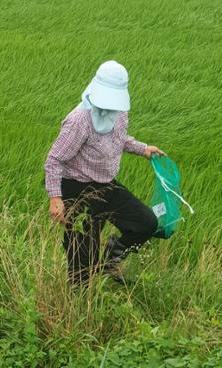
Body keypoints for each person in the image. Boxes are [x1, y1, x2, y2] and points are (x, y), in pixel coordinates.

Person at [44, 60, 165, 285]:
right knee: (83, 258)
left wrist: (143, 149)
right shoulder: (79, 121)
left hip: (106, 185)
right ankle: (78, 303)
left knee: (146, 223)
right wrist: (56, 199)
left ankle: (110, 261)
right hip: (76, 188)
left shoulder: (118, 112)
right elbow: (54, 159)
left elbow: (119, 139)